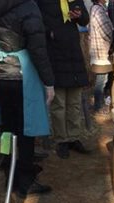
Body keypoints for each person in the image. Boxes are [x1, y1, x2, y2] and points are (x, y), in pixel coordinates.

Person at [0, 0, 55, 197]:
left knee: (8, 128)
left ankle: (11, 177)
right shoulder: (28, 6)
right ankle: (25, 181)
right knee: (26, 129)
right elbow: (38, 49)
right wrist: (49, 82)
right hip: (22, 73)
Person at [37, 0, 91, 160]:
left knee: (75, 102)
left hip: (74, 53)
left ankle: (74, 137)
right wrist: (50, 33)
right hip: (54, 53)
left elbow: (85, 19)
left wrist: (79, 16)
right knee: (59, 103)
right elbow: (36, 21)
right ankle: (62, 139)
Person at [90, 0, 114, 115]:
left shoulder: (97, 9)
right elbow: (107, 31)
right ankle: (98, 107)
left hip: (100, 50)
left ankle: (99, 105)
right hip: (101, 51)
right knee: (101, 82)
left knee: (102, 81)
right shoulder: (98, 10)